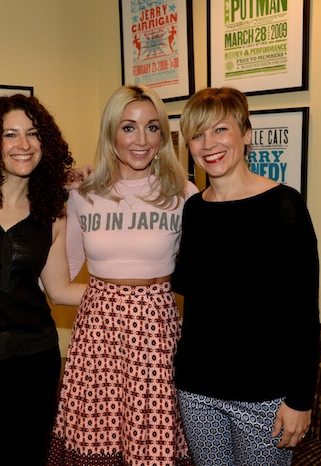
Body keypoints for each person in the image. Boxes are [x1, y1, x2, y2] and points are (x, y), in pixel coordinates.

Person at [47, 84, 197, 466]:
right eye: (128, 127)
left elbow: (204, 278)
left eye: (152, 127)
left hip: (156, 340)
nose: (141, 139)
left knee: (153, 447)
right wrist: (51, 194)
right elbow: (58, 284)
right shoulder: (82, 194)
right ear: (111, 132)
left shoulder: (184, 194)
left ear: (163, 134)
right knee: (94, 446)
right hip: (97, 342)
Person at [172, 87, 320, 466]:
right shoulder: (194, 210)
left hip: (265, 397)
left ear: (246, 133)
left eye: (220, 130)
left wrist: (300, 398)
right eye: (197, 134)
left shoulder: (284, 206)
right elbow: (195, 298)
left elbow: (304, 314)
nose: (209, 144)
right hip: (197, 391)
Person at [0, 94, 87, 466]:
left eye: (32, 134)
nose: (24, 145)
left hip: (36, 359)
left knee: (31, 457)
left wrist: (127, 289)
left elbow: (60, 290)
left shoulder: (52, 212)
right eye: (10, 134)